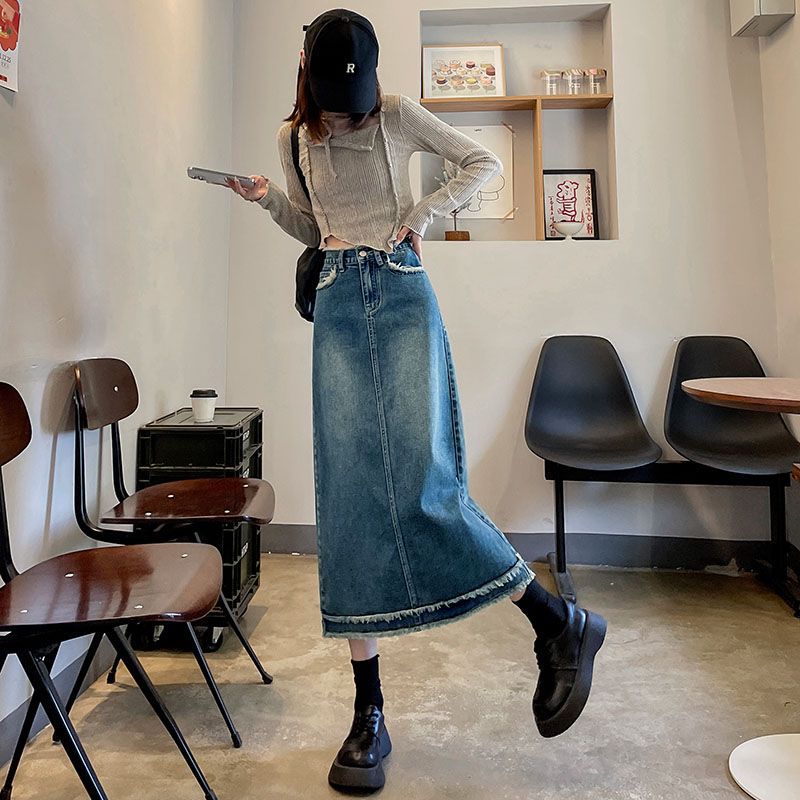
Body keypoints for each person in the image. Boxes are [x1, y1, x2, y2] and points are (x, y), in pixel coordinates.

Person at [227, 8, 607, 794]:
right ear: (307, 76)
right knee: (350, 500)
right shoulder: (293, 139)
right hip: (338, 306)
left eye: (356, 97)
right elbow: (313, 228)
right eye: (336, 99)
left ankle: (557, 622)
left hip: (402, 298)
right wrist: (264, 199)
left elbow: (480, 162)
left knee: (427, 489)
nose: (348, 111)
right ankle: (368, 711)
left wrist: (421, 213)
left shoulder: (397, 113)